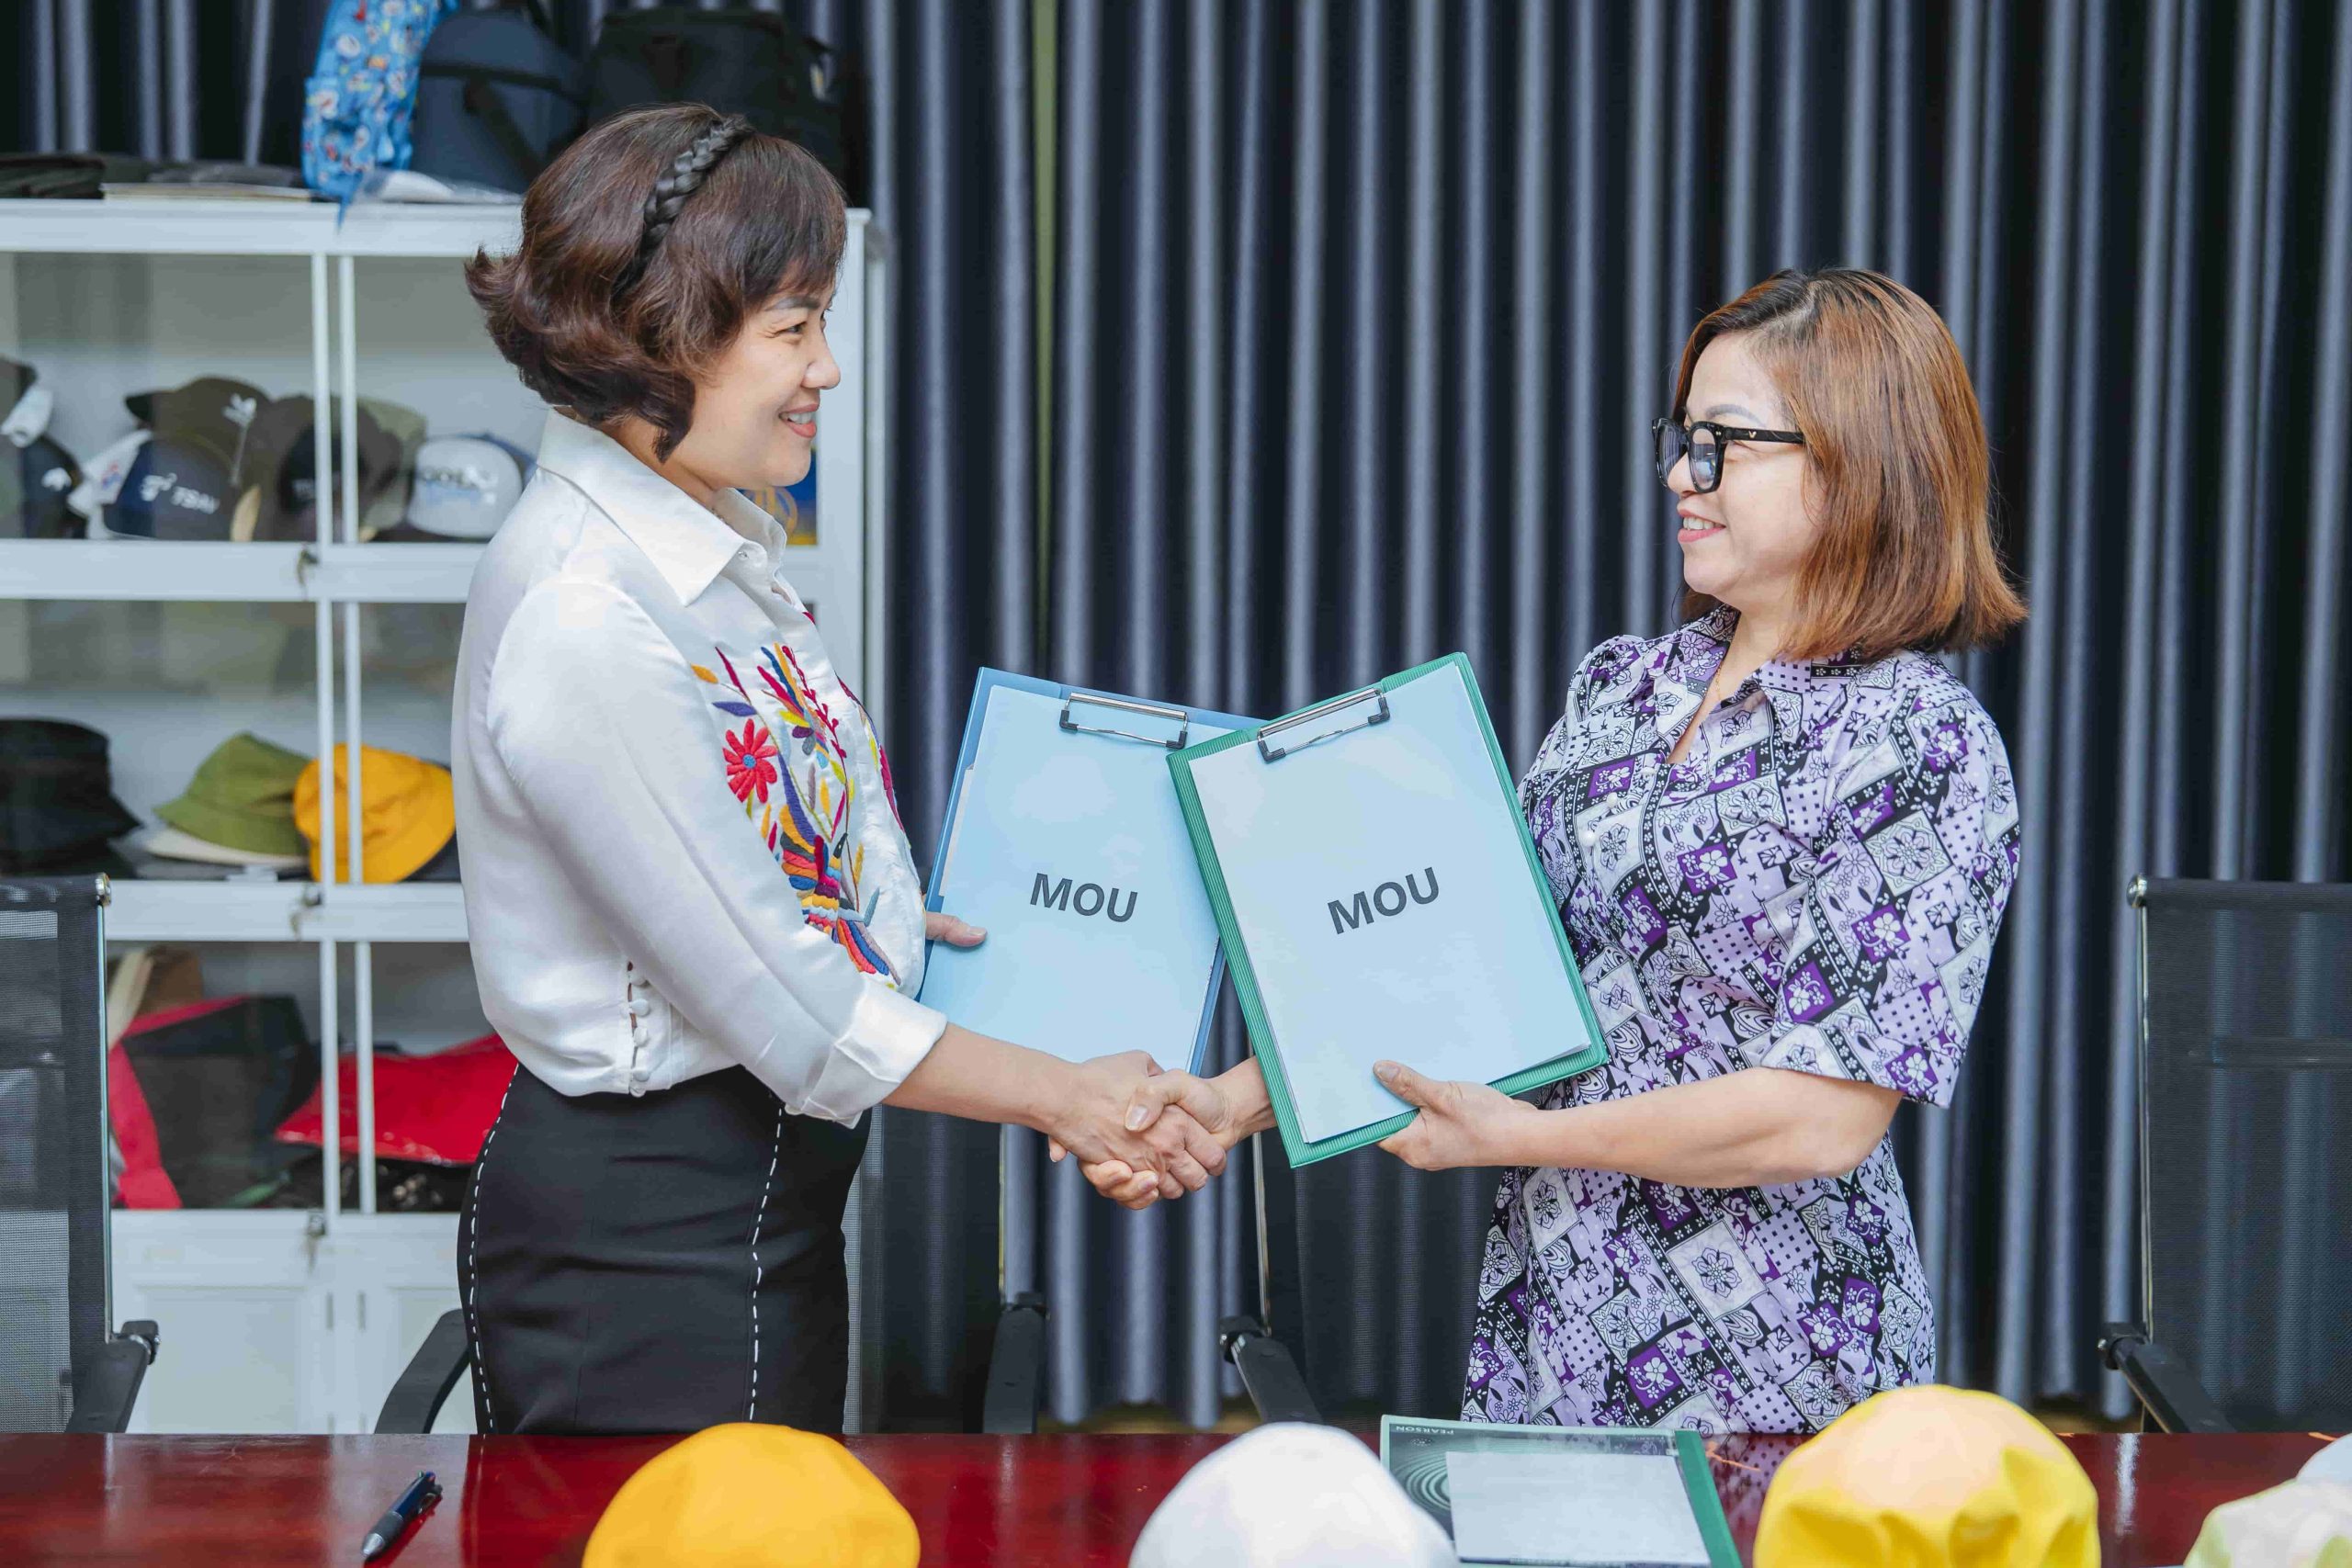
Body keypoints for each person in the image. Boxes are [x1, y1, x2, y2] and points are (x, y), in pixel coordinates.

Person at [1089, 269, 2027, 1432]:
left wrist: (1528, 1138)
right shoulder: (1623, 688)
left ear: (1857, 461)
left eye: (1723, 443)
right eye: (1681, 439)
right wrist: (1230, 1104)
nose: (1679, 476)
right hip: (1559, 1315)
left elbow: (1821, 1118)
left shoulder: (1919, 742)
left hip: (1780, 1355)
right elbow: (1485, 966)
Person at [451, 105, 1227, 1436]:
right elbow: (792, 1011)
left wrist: (887, 921)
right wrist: (1076, 1097)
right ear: (663, 331)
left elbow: (768, 868)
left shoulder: (705, 553)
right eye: (794, 326)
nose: (829, 368)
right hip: (651, 1239)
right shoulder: (588, 610)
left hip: (756, 1194)